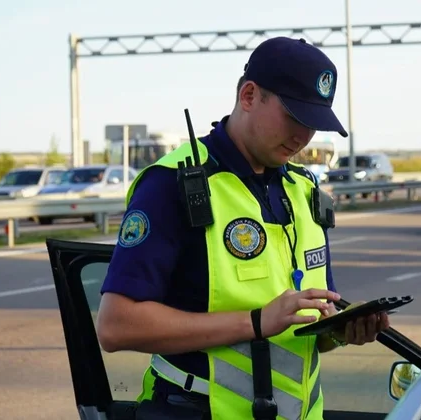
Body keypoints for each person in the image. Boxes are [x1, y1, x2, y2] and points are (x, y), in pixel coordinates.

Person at [96, 36, 390, 420]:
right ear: (249, 96)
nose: (303, 137)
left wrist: (339, 331)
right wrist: (254, 322)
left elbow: (305, 330)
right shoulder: (173, 184)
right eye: (294, 117)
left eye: (314, 124)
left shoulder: (304, 191)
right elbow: (116, 326)